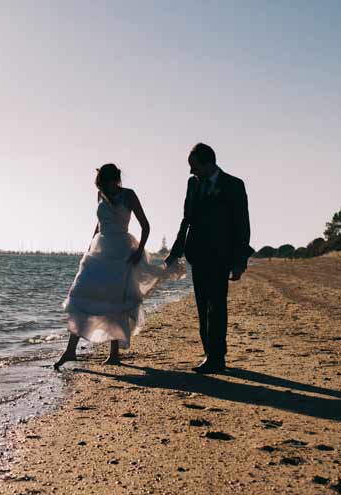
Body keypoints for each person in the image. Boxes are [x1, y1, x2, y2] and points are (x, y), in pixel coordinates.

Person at [56, 164, 183, 369]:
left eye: (107, 183)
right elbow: (98, 224)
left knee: (116, 300)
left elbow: (146, 226)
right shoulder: (100, 195)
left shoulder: (129, 195)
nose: (104, 188)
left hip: (122, 251)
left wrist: (139, 251)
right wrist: (90, 246)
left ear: (115, 180)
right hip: (99, 252)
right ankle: (71, 351)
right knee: (81, 296)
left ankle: (114, 354)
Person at [165, 143, 251, 374]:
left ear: (208, 163)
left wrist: (240, 261)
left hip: (222, 255)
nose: (191, 172)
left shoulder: (233, 185)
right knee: (203, 307)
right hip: (197, 254)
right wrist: (175, 253)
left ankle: (216, 357)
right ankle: (210, 353)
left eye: (194, 166)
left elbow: (242, 224)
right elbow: (186, 220)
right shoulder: (193, 184)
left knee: (217, 306)